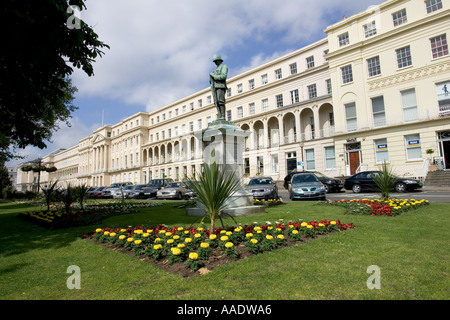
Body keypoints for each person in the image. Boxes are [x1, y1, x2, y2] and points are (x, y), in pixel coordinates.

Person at [210, 54, 228, 120]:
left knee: (221, 101)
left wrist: (214, 76)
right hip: (215, 87)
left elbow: (223, 76)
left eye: (216, 61)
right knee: (216, 102)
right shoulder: (215, 69)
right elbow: (211, 81)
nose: (215, 63)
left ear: (219, 60)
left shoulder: (224, 66)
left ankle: (223, 116)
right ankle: (220, 116)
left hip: (221, 86)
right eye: (214, 61)